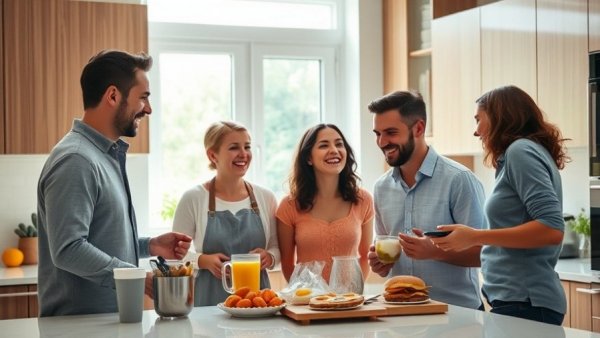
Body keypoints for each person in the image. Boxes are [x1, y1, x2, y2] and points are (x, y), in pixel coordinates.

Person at [37, 50, 192, 317]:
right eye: (143, 98)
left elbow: (99, 238)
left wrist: (149, 245)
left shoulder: (101, 155)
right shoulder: (77, 159)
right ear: (112, 96)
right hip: (80, 327)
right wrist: (136, 277)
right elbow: (68, 249)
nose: (149, 109)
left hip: (103, 323)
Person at [432, 85, 568, 325]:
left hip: (526, 302)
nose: (476, 132)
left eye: (478, 120)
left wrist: (476, 237)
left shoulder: (520, 151)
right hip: (517, 302)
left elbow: (551, 229)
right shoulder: (521, 153)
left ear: (499, 116)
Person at [367, 90, 485, 309]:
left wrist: (434, 251)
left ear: (418, 129)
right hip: (401, 314)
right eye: (377, 133)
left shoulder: (459, 180)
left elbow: (484, 253)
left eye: (391, 132)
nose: (382, 142)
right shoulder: (381, 187)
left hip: (458, 316)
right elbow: (386, 254)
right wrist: (380, 264)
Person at [173, 121, 280, 306]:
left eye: (247, 146)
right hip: (208, 303)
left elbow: (277, 248)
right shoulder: (193, 198)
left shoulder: (266, 197)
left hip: (256, 304)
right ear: (213, 155)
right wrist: (202, 260)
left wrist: (269, 257)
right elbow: (174, 255)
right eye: (234, 147)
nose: (243, 154)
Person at [276, 123, 374, 283]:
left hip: (349, 301)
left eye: (339, 144)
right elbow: (287, 264)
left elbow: (365, 257)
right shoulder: (289, 205)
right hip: (309, 302)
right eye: (323, 145)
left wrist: (353, 293)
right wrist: (306, 296)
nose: (334, 150)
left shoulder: (364, 200)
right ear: (308, 157)